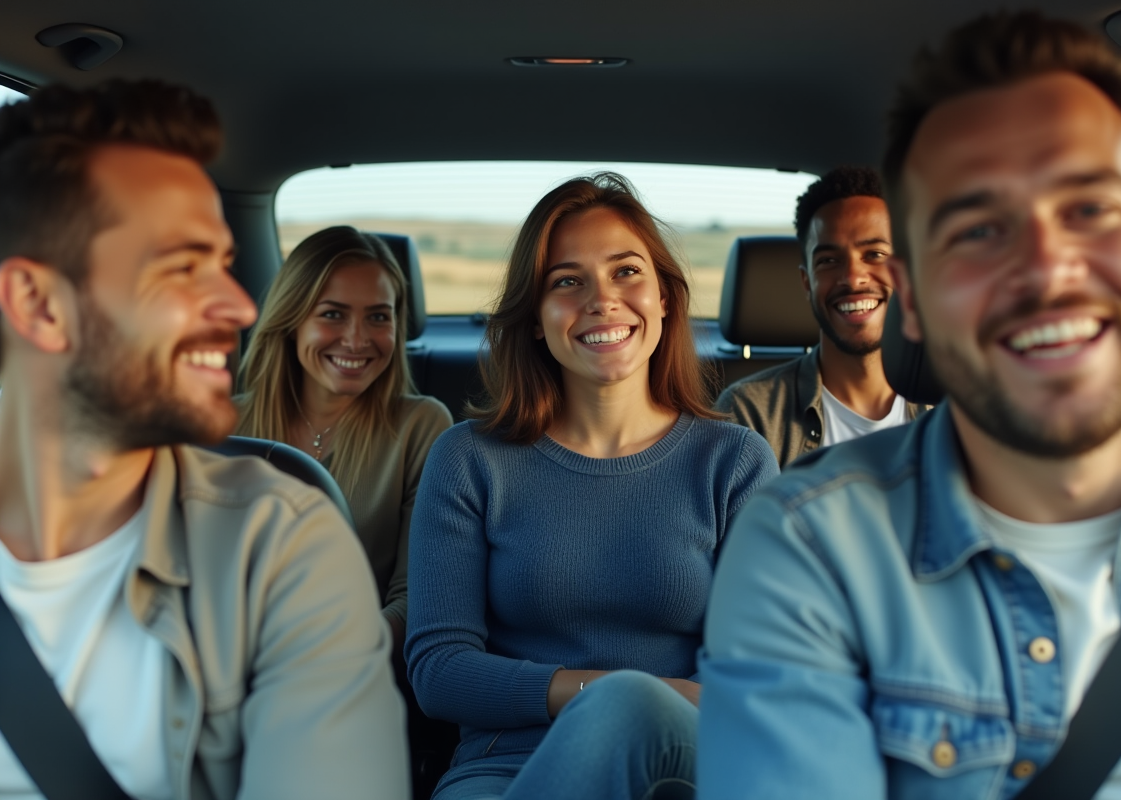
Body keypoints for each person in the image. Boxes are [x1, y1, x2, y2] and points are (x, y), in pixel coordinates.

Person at [699, 11, 1121, 799]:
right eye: (977, 229)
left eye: (1089, 208)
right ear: (918, 299)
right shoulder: (809, 545)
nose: (1044, 270)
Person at [0, 80, 408, 798]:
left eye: (222, 263)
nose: (240, 304)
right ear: (38, 305)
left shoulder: (276, 545)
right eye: (182, 268)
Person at [405, 172, 778, 799]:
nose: (602, 300)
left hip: (686, 767)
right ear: (533, 319)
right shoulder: (467, 460)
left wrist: (644, 706)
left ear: (665, 299)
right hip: (504, 767)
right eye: (567, 281)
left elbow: (758, 670)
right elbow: (440, 671)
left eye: (627, 271)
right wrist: (605, 693)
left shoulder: (734, 462)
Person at [237, 225, 453, 644]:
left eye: (378, 316)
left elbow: (417, 598)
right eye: (333, 314)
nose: (357, 340)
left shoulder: (420, 426)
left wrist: (334, 654)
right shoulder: (224, 424)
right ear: (291, 319)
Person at [715, 166, 924, 467]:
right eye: (828, 261)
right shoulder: (749, 414)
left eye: (874, 254)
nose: (852, 279)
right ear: (806, 282)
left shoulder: (955, 404)